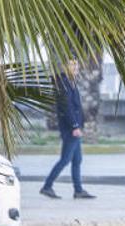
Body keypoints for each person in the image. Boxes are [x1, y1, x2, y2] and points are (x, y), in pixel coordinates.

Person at [40, 59, 96, 199]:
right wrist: (75, 126)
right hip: (71, 129)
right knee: (65, 159)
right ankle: (47, 186)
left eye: (77, 64)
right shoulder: (63, 83)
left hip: (75, 127)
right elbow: (67, 107)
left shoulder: (71, 82)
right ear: (66, 67)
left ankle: (78, 190)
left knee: (77, 160)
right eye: (72, 64)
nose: (76, 67)